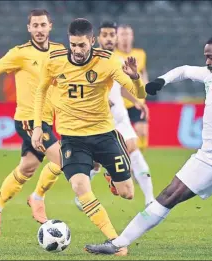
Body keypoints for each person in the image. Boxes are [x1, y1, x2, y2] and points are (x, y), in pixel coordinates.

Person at [84, 34, 212, 255]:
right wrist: (161, 80)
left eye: (211, 57)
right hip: (208, 156)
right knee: (169, 195)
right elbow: (185, 70)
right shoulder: (209, 74)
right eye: (205, 57)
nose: (207, 62)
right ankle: (117, 243)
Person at [31, 18, 146, 256]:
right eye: (73, 45)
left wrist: (135, 78)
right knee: (79, 185)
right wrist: (37, 126)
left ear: (92, 41)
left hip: (104, 135)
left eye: (82, 45)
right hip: (73, 138)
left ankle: (109, 176)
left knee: (127, 193)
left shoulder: (108, 62)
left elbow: (139, 93)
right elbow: (41, 91)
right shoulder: (54, 62)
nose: (77, 50)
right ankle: (115, 241)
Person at [0, 9, 65, 235]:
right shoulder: (20, 53)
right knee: (63, 160)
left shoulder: (60, 51)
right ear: (29, 28)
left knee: (27, 168)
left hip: (48, 118)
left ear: (50, 26)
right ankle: (37, 197)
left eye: (43, 25)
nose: (39, 30)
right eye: (35, 26)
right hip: (29, 120)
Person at [97, 21, 154, 206]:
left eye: (111, 35)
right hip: (100, 118)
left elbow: (121, 88)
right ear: (98, 38)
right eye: (104, 35)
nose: (108, 39)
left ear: (116, 38)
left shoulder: (119, 62)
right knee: (94, 162)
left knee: (133, 148)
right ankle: (82, 195)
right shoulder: (92, 61)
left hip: (120, 115)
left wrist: (138, 102)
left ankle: (150, 200)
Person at [116, 24, 149, 151]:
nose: (125, 38)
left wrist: (145, 86)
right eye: (122, 34)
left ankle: (136, 160)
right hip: (120, 102)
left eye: (127, 34)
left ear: (132, 36)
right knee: (123, 138)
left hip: (136, 101)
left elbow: (143, 72)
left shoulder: (140, 54)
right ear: (117, 37)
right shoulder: (113, 55)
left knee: (142, 133)